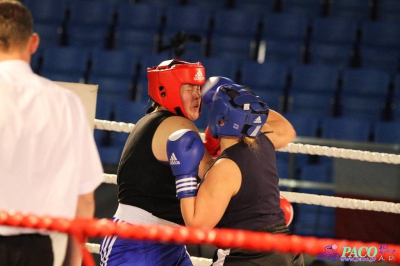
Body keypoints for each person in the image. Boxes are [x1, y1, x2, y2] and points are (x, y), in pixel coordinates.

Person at [0, 1, 104, 266]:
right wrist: (71, 261)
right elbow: (85, 200)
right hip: (37, 250)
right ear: (33, 43)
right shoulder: (65, 103)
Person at [167, 84, 305, 265]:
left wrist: (184, 177)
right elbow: (286, 129)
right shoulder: (263, 141)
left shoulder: (224, 167)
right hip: (287, 254)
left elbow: (197, 226)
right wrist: (246, 105)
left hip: (250, 257)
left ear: (220, 118)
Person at [99, 59, 214, 266]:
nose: (198, 95)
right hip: (136, 241)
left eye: (199, 88)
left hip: (169, 244)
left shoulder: (150, 120)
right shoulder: (178, 124)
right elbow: (213, 175)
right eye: (189, 88)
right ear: (166, 88)